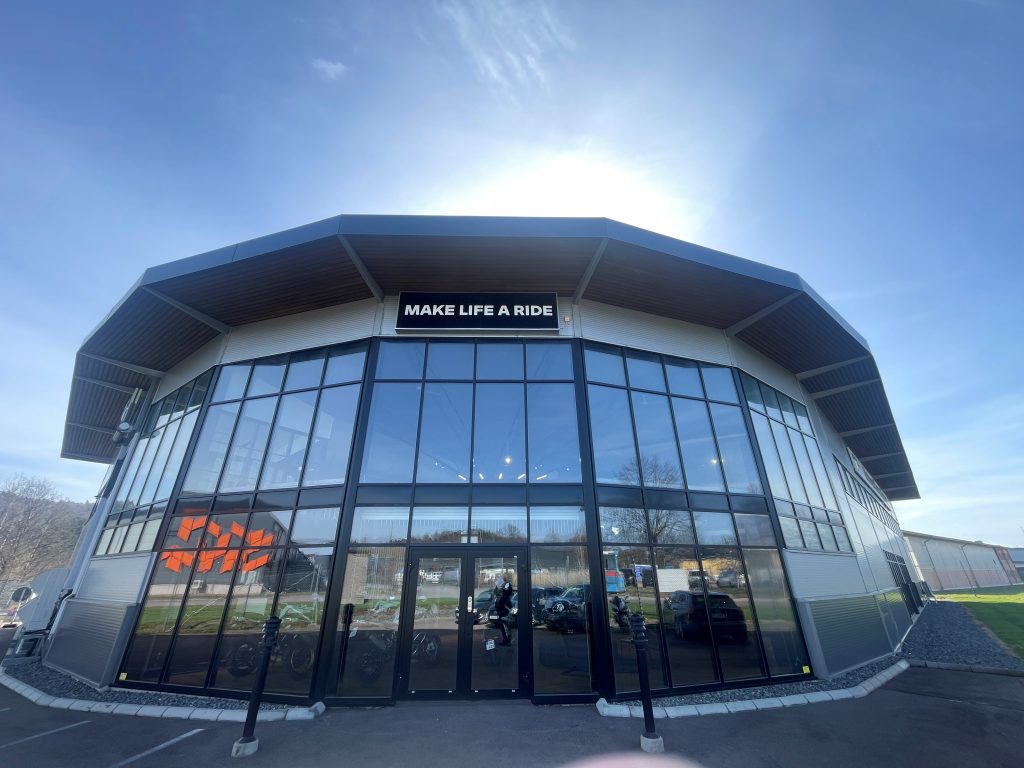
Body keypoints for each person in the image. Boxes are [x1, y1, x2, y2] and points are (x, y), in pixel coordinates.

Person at [493, 574, 514, 645]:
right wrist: (498, 586)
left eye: (504, 578)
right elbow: (495, 592)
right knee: (503, 624)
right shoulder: (501, 587)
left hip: (505, 608)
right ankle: (506, 639)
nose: (503, 579)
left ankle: (507, 640)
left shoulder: (507, 585)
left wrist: (503, 586)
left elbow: (508, 591)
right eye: (502, 578)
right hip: (501, 608)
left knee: (505, 624)